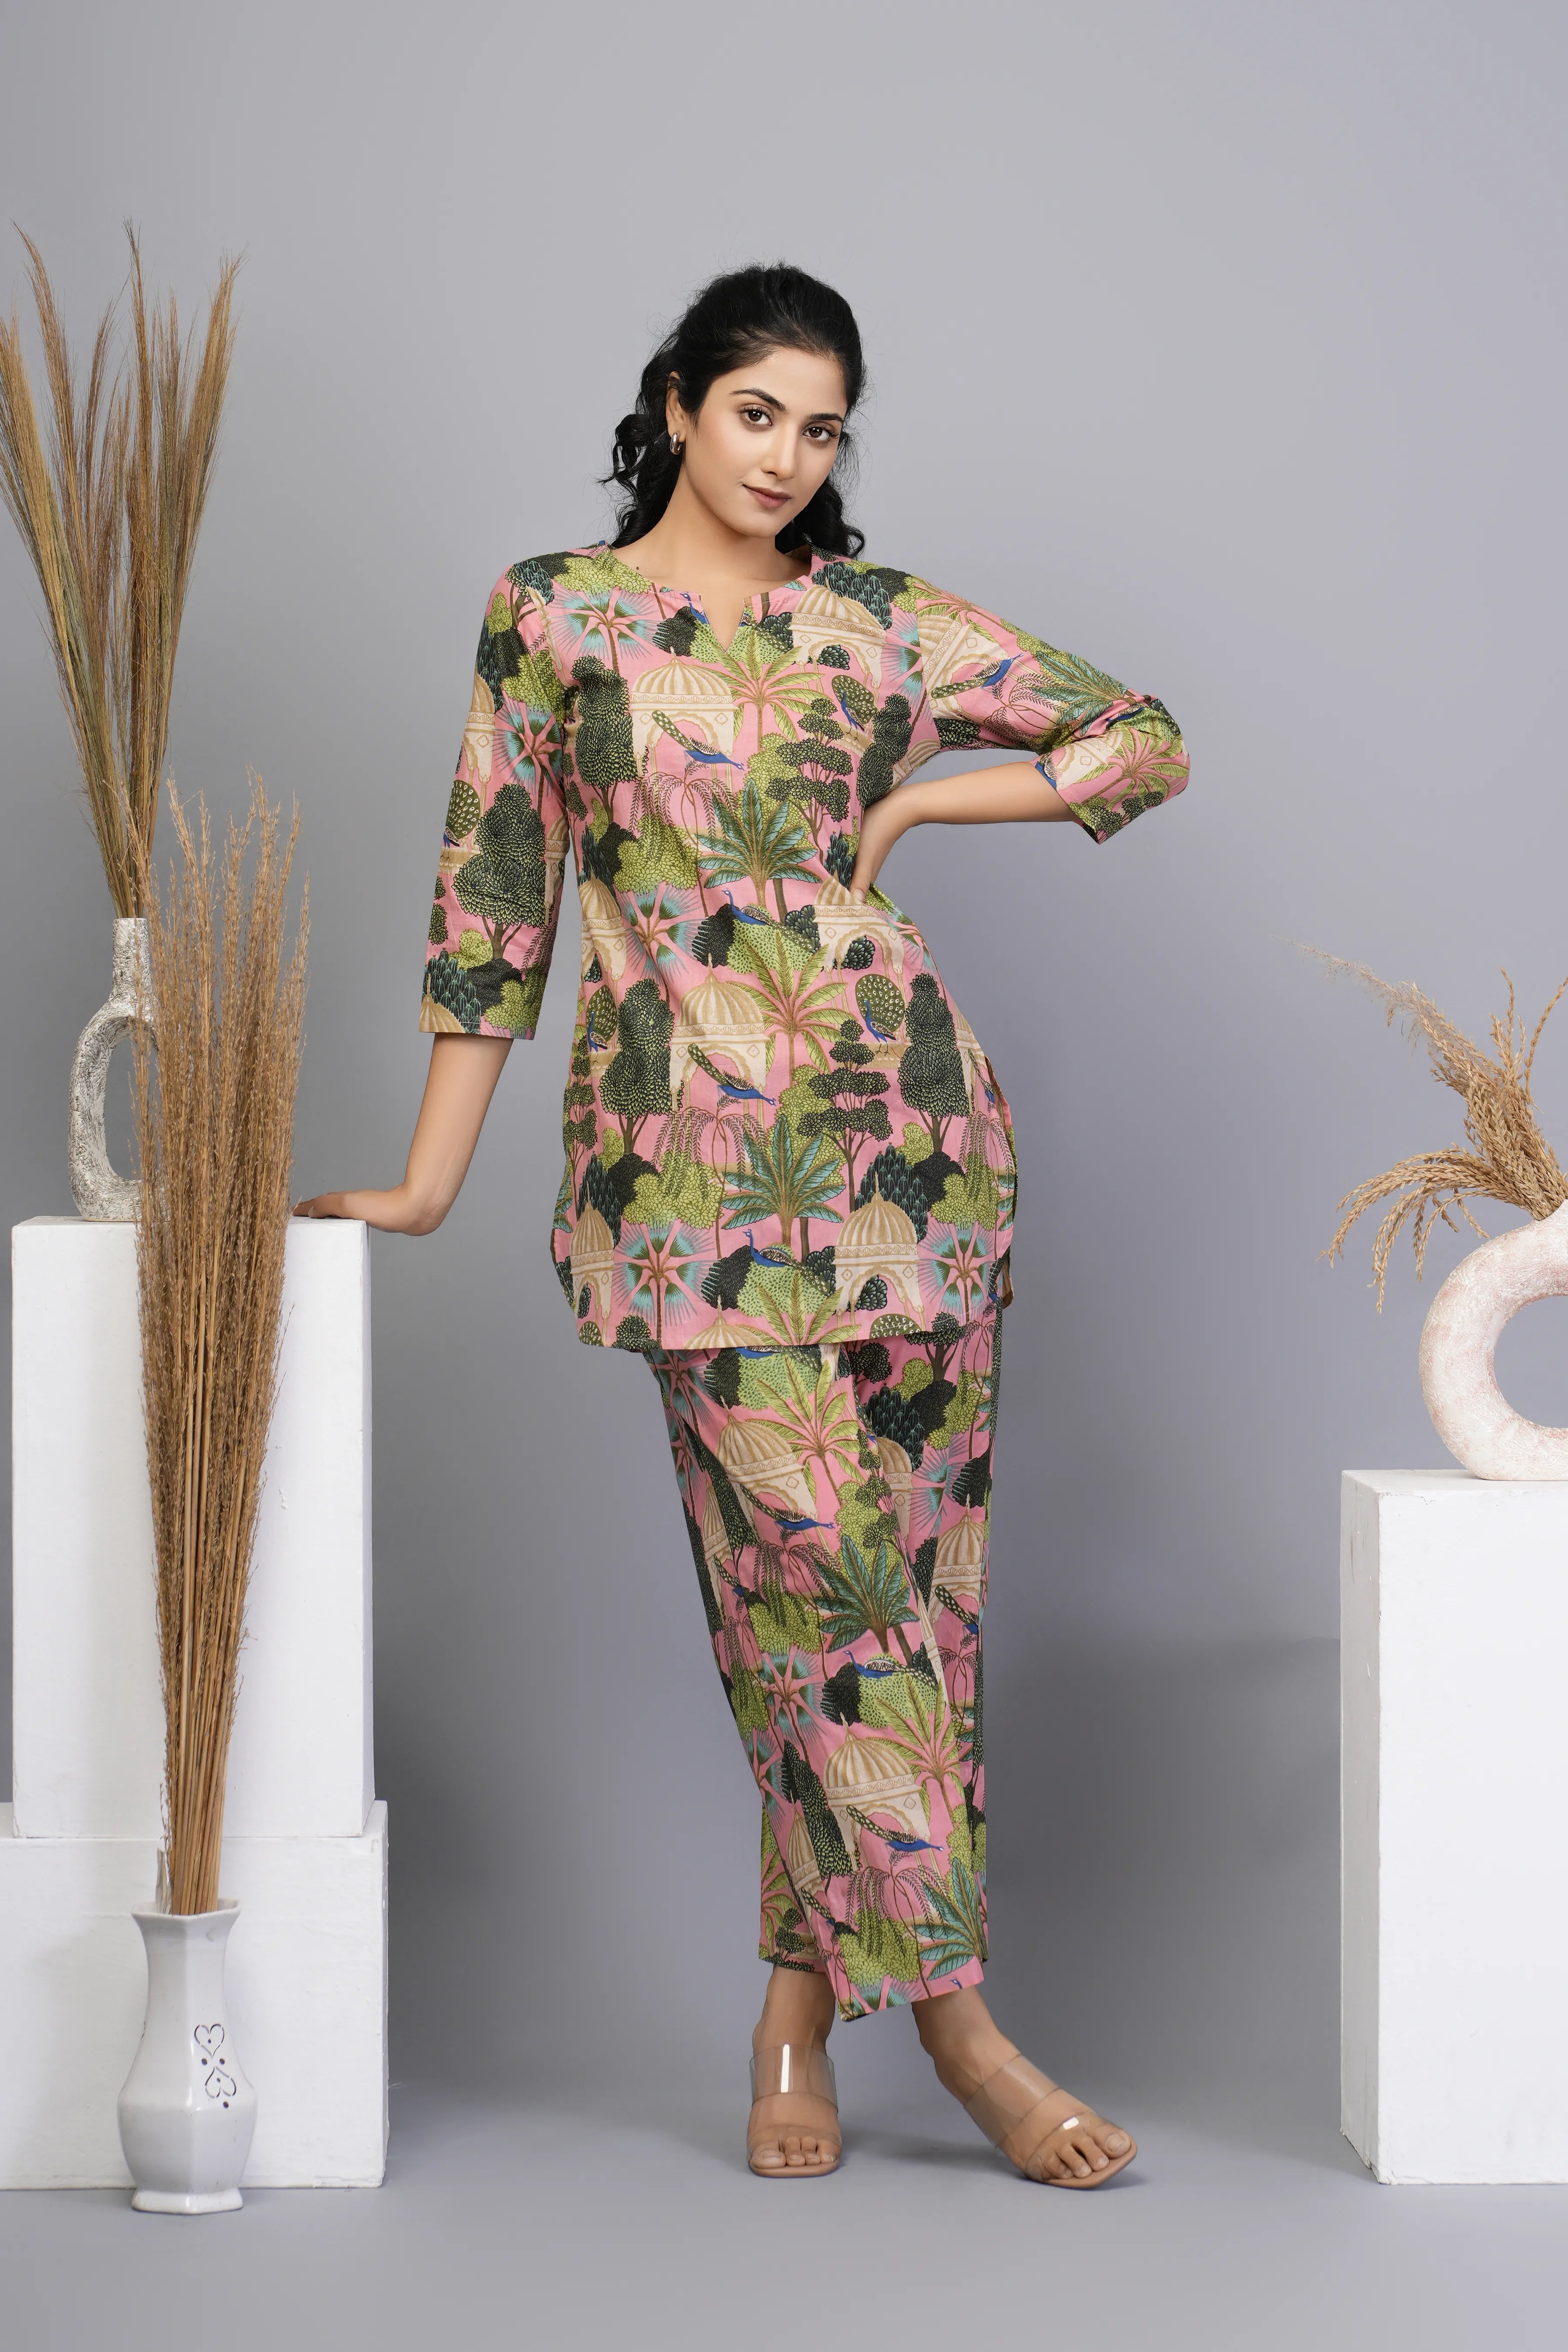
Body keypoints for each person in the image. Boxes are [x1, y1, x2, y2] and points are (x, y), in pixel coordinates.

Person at [297, 262, 1187, 2184]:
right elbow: (495, 899)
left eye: (823, 427)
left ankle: (793, 2017)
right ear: (680, 407)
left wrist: (927, 807)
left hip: (917, 1161)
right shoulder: (557, 616)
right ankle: (961, 2031)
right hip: (689, 1183)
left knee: (906, 1615)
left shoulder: (880, 622)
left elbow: (1143, 736)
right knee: (816, 1597)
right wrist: (434, 1176)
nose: (788, 457)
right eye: (758, 412)